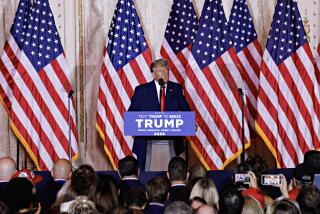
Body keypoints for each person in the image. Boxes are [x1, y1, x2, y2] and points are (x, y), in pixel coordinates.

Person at [128, 59, 191, 170]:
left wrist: (191, 122)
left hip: (173, 142)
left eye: (167, 71)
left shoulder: (176, 89)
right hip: (145, 143)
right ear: (153, 74)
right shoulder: (141, 91)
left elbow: (186, 111)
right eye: (161, 71)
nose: (165, 74)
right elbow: (131, 116)